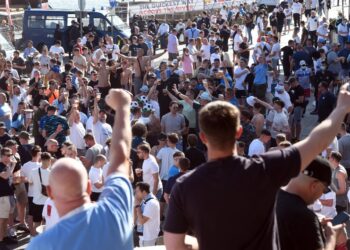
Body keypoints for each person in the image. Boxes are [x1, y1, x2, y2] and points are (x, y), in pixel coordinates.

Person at [164, 82, 350, 249]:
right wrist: (341, 108)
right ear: (239, 132)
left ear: (203, 137)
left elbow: (173, 245)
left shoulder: (183, 186)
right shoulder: (264, 169)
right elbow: (316, 141)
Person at [27, 89, 134, 249]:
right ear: (89, 187)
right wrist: (123, 107)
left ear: (50, 193)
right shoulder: (114, 212)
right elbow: (120, 157)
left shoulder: (42, 245)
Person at [277, 156, 347, 250]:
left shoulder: (270, 197)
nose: (321, 194)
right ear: (314, 186)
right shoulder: (304, 217)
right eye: (323, 190)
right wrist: (331, 237)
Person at [28, 152, 51, 235]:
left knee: (37, 223)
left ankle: (34, 241)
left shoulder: (33, 171)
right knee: (47, 224)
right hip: (48, 202)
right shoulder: (51, 173)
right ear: (49, 160)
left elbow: (30, 182)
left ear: (41, 159)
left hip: (36, 201)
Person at [134, 182, 160, 247]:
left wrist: (137, 206)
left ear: (144, 192)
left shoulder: (151, 203)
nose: (136, 194)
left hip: (148, 237)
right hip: (145, 237)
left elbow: (142, 221)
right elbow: (135, 219)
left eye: (137, 191)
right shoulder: (145, 201)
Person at [0, 148, 17, 249]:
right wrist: (13, 165)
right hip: (2, 197)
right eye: (6, 155)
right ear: (1, 155)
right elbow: (5, 176)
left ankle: (5, 237)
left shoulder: (7, 165)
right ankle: (0, 241)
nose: (8, 157)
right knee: (1, 220)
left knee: (5, 219)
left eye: (10, 155)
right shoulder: (1, 165)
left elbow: (9, 179)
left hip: (9, 195)